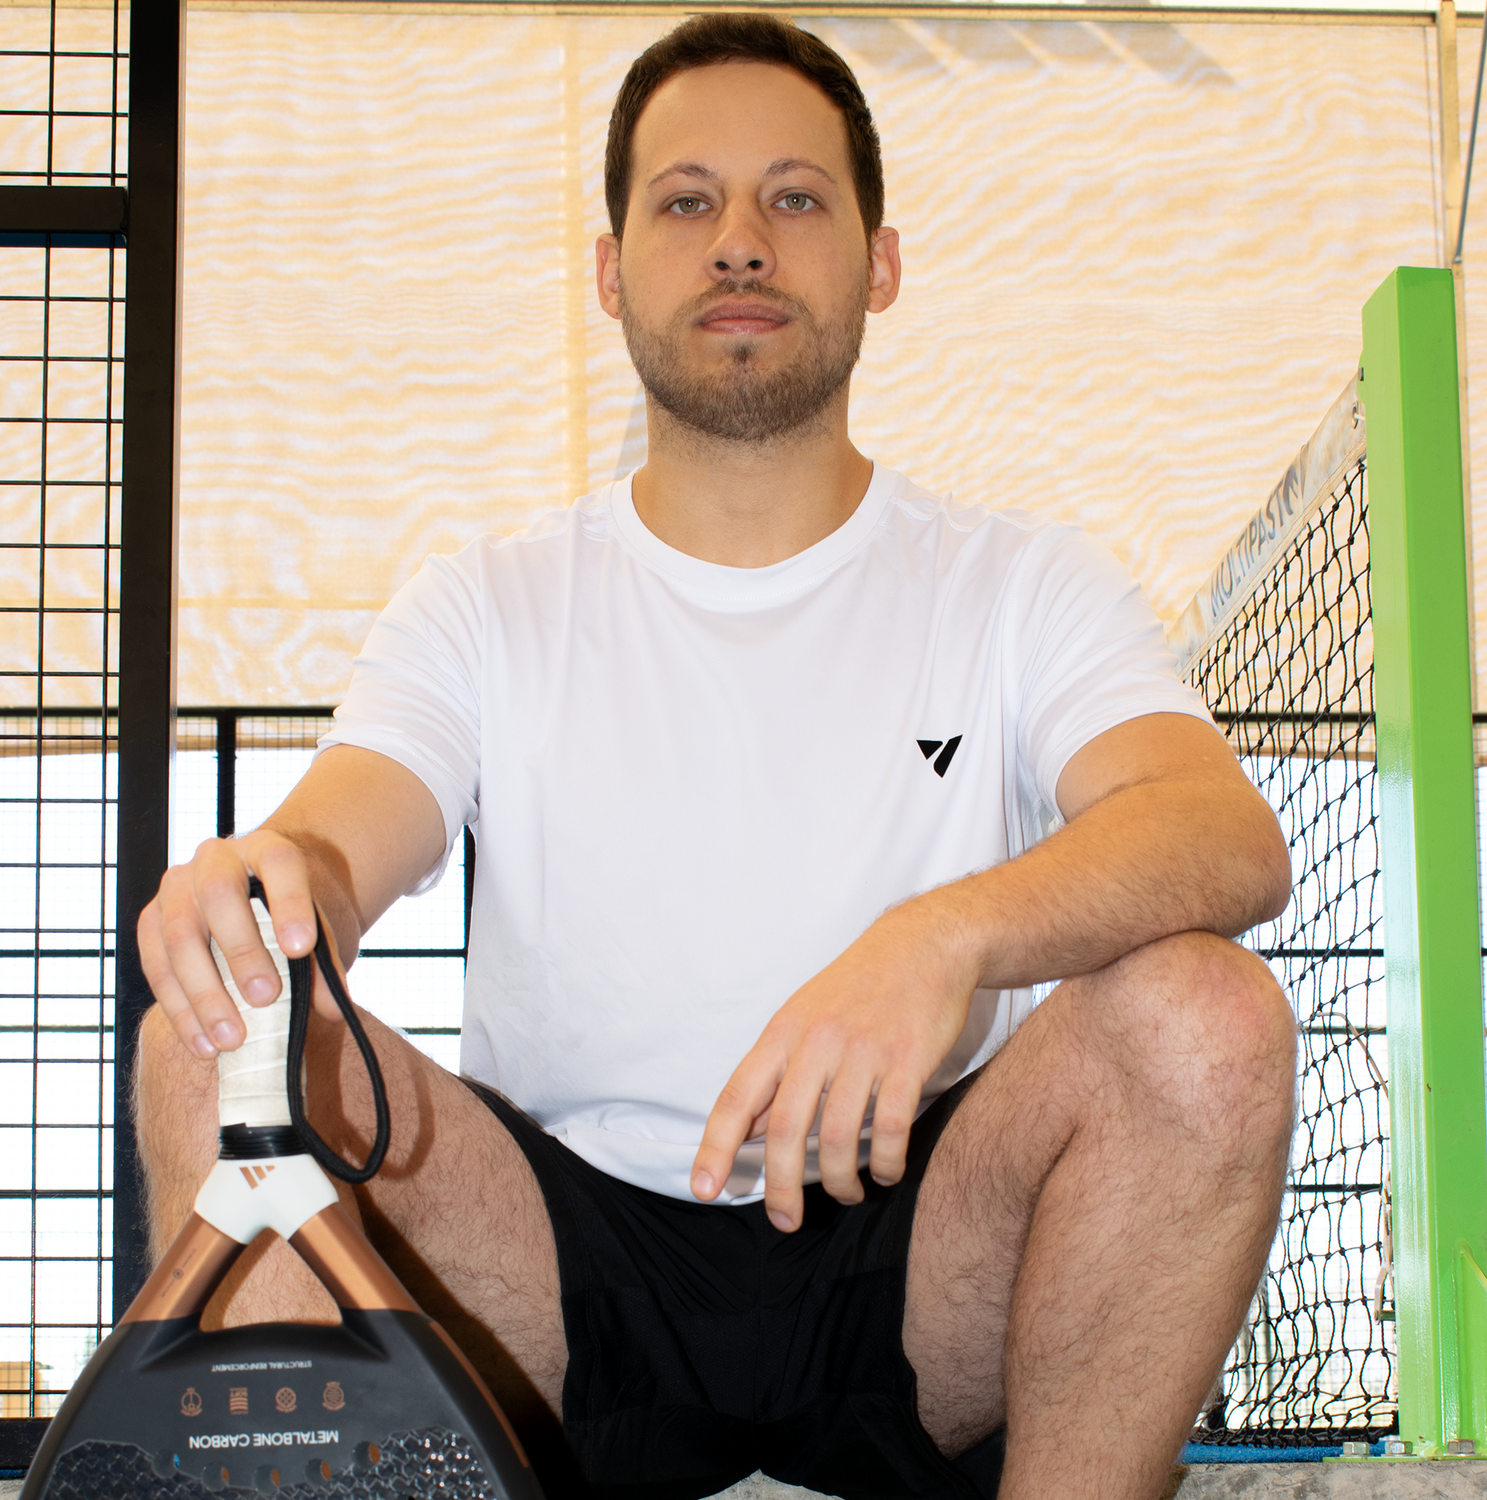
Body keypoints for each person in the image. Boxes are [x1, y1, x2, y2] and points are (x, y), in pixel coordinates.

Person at [137, 16, 1296, 1500]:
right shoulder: (486, 601)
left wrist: (942, 939)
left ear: (879, 263)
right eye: (687, 200)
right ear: (611, 268)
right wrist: (260, 886)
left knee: (1206, 1015)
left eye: (794, 198)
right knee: (217, 1032)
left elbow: (1220, 833)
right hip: (557, 1281)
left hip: (919, 1261)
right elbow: (330, 857)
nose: (740, 241)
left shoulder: (1020, 583)